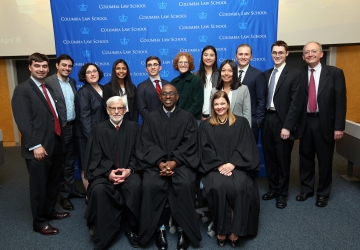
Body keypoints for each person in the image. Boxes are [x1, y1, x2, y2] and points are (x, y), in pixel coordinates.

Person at [136, 84, 201, 250]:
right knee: (150, 184)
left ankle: (183, 229)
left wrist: (174, 161)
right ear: (160, 97)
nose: (168, 96)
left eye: (171, 93)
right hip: (156, 164)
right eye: (164, 94)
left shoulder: (187, 117)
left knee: (185, 184)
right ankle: (159, 228)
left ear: (177, 97)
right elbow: (146, 144)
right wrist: (160, 162)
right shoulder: (150, 118)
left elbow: (190, 144)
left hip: (181, 163)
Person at [11, 53, 69, 235]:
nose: (41, 69)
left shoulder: (48, 88)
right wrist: (35, 145)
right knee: (39, 186)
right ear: (30, 67)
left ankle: (49, 211)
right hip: (39, 148)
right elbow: (23, 121)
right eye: (37, 66)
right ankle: (40, 222)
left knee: (53, 182)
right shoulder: (22, 90)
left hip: (55, 143)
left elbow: (52, 116)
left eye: (44, 66)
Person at [199, 91, 260, 248]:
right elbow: (204, 150)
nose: (220, 107)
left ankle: (235, 230)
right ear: (212, 106)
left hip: (237, 166)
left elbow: (246, 146)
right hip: (214, 167)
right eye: (216, 104)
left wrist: (233, 163)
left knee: (240, 187)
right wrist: (219, 164)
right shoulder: (206, 125)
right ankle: (222, 230)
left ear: (228, 104)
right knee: (220, 186)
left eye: (222, 103)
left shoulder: (240, 123)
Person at [84, 96, 142, 250]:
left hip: (129, 171)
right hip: (104, 174)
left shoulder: (135, 128)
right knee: (98, 189)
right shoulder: (98, 129)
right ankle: (102, 229)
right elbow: (94, 157)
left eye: (120, 108)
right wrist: (109, 172)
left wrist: (129, 170)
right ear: (107, 110)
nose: (117, 111)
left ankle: (131, 227)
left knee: (136, 186)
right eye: (113, 108)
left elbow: (140, 153)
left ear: (125, 110)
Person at [296, 41, 347, 207]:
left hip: (325, 122)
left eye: (313, 51)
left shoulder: (335, 73)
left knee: (325, 160)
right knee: (305, 158)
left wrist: (339, 127)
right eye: (307, 52)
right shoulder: (299, 74)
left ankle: (323, 193)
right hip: (305, 122)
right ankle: (307, 189)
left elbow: (340, 102)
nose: (310, 54)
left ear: (321, 54)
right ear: (303, 56)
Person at [261, 41, 302, 209]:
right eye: (274, 52)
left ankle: (282, 193)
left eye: (280, 52)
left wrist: (287, 126)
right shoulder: (266, 74)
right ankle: (273, 188)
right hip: (267, 120)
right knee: (269, 157)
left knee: (283, 159)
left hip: (283, 121)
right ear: (271, 54)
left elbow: (296, 104)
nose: (277, 55)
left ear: (287, 54)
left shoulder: (294, 74)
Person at [45, 54, 85, 211]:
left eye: (69, 66)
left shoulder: (72, 82)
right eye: (64, 65)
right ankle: (63, 196)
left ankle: (71, 190)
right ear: (57, 65)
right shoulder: (48, 83)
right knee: (61, 164)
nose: (67, 68)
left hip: (73, 126)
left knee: (70, 162)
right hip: (59, 129)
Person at [74, 63, 107, 191]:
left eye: (95, 71)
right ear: (84, 76)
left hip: (101, 135)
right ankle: (89, 195)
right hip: (86, 137)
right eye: (89, 72)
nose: (93, 74)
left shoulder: (104, 88)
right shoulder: (83, 93)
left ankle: (100, 193)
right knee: (86, 166)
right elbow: (84, 118)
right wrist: (92, 138)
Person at [235, 44, 267, 142]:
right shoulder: (229, 73)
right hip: (232, 121)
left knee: (249, 153)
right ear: (236, 56)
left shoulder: (258, 75)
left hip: (250, 121)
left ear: (251, 56)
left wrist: (257, 121)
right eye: (240, 54)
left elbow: (262, 100)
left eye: (246, 54)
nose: (243, 57)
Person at [211, 59, 251, 126]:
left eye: (230, 71)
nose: (226, 73)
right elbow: (212, 113)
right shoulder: (214, 91)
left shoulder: (243, 89)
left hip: (238, 129)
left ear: (234, 73)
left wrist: (247, 131)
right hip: (218, 129)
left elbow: (247, 114)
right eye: (223, 70)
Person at [171, 52, 204, 122]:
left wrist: (183, 115)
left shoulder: (196, 81)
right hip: (176, 120)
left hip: (192, 120)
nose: (183, 65)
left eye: (186, 62)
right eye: (180, 62)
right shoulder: (173, 82)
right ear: (177, 64)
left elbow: (197, 104)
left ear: (190, 65)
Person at [193, 45, 219, 121]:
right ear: (202, 57)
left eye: (211, 55)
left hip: (216, 116)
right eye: (205, 55)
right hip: (198, 118)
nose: (208, 58)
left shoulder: (221, 75)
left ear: (215, 58)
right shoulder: (195, 75)